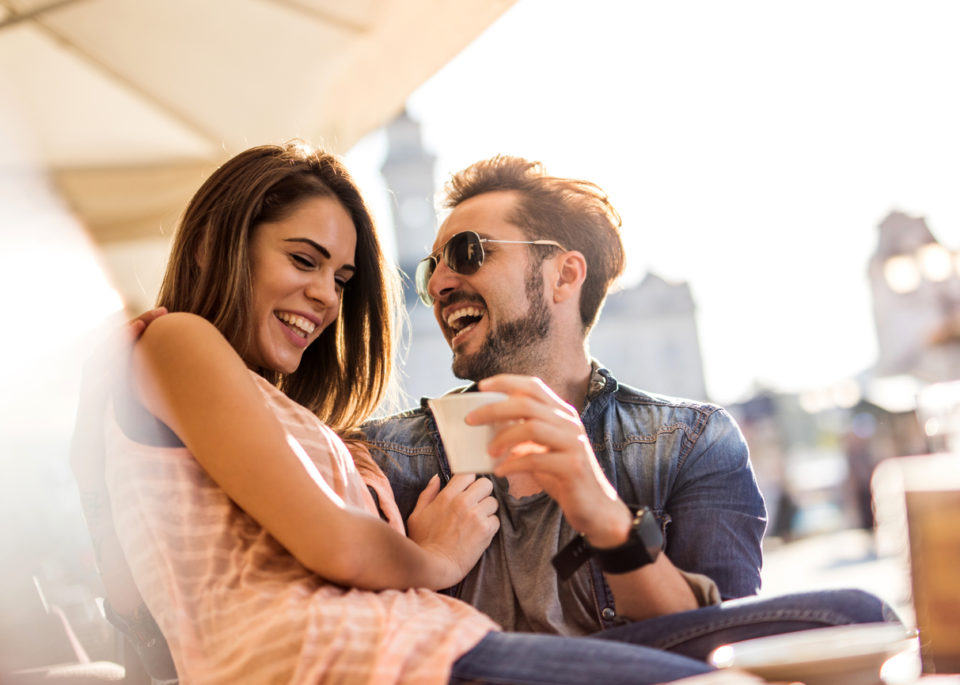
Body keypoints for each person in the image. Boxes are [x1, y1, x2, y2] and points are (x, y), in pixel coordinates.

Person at [76, 141, 735, 684]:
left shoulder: (264, 403)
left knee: (834, 615)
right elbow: (332, 542)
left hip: (412, 648)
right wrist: (433, 558)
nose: (325, 297)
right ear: (214, 243)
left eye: (339, 278)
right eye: (303, 259)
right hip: (357, 658)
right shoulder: (176, 339)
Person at [360, 155, 898, 655]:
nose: (439, 281)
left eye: (467, 253)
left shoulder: (691, 440)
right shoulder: (382, 458)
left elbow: (731, 648)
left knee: (859, 616)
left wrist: (604, 515)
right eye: (433, 268)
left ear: (564, 276)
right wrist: (422, 564)